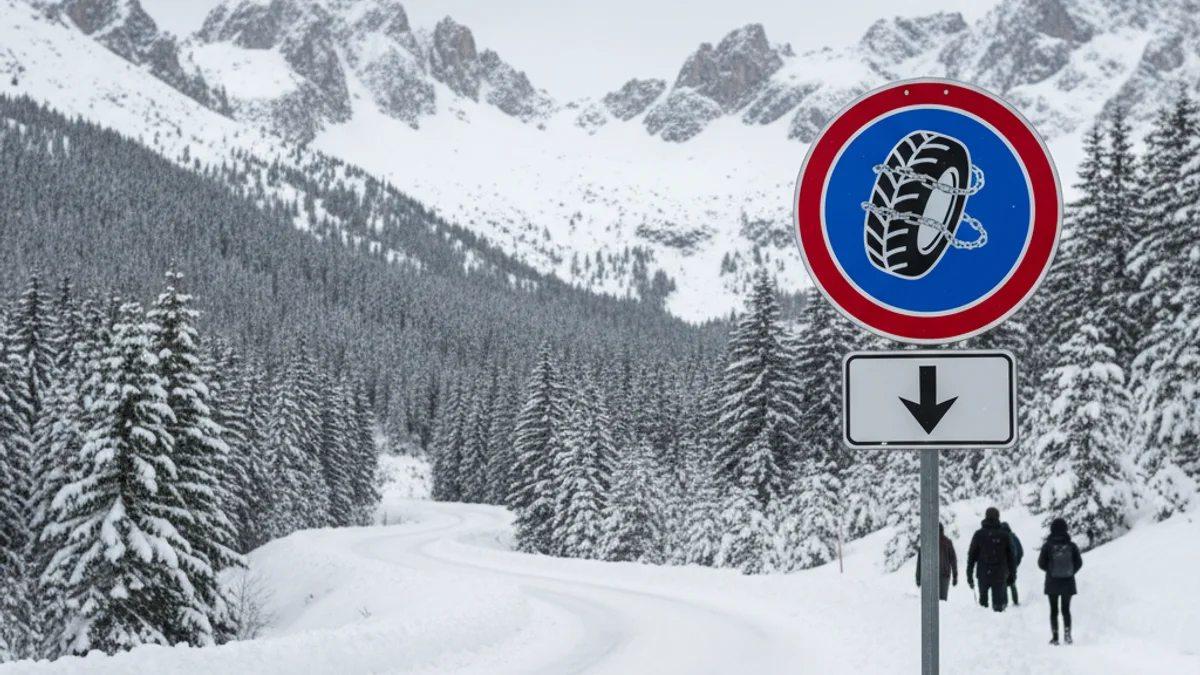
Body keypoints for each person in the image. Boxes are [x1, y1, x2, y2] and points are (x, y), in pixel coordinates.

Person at [1038, 517, 1083, 645]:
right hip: (1068, 583)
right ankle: (1068, 636)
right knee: (1066, 610)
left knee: (1053, 610)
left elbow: (1041, 564)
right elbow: (1079, 562)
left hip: (1052, 582)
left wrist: (1051, 570)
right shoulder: (1071, 546)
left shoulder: (1047, 546)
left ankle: (1055, 637)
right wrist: (1070, 572)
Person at [966, 506, 1016, 612]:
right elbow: (1011, 557)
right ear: (998, 517)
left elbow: (971, 556)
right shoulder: (1005, 535)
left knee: (983, 604)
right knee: (998, 606)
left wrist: (969, 574)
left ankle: (983, 625)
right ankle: (998, 625)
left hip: (983, 573)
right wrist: (1012, 575)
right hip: (999, 574)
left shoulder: (979, 534)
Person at [915, 523, 958, 601]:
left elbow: (920, 561)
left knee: (930, 602)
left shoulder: (927, 542)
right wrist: (955, 576)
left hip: (929, 575)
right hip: (944, 575)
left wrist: (918, 578)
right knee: (942, 601)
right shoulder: (947, 542)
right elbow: (953, 560)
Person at [1001, 522, 1024, 606]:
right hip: (1013, 563)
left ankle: (1004, 603)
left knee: (1004, 582)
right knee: (1012, 581)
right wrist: (1016, 563)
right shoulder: (1013, 537)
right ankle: (1015, 601)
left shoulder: (1001, 538)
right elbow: (1021, 551)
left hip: (1003, 564)